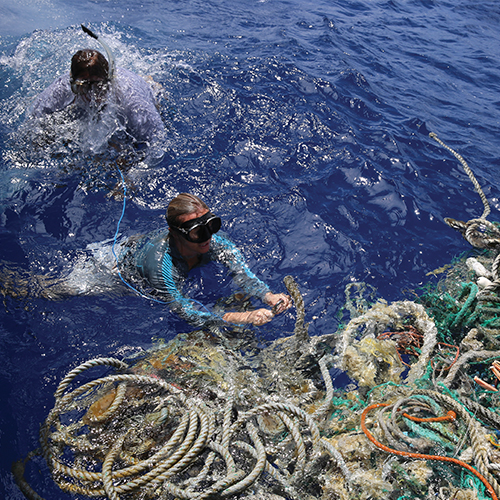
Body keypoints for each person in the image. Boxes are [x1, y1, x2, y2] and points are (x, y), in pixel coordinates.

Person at [118, 193, 292, 328]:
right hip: (124, 271)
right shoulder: (160, 269)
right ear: (175, 232)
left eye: (211, 226)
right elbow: (184, 311)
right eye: (197, 232)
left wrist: (268, 296)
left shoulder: (216, 241)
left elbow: (242, 273)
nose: (208, 236)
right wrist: (242, 317)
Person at [29, 49, 166, 152]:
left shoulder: (132, 100)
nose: (91, 95)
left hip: (135, 88)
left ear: (110, 80)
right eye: (83, 87)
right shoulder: (60, 88)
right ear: (72, 81)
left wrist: (132, 176)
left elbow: (157, 141)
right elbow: (34, 120)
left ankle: (148, 81)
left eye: (99, 87)